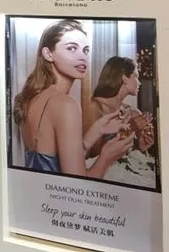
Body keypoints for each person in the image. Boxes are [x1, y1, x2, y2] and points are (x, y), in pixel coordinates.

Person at [12, 19, 133, 177]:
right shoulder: (66, 104)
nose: (83, 57)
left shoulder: (33, 96)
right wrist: (106, 157)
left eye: (85, 50)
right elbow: (77, 185)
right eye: (72, 48)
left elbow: (51, 159)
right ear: (48, 54)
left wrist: (97, 130)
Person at [88, 56, 155, 158]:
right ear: (124, 78)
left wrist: (142, 146)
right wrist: (130, 128)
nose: (139, 82)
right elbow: (92, 153)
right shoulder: (94, 107)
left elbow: (135, 159)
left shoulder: (134, 113)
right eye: (136, 76)